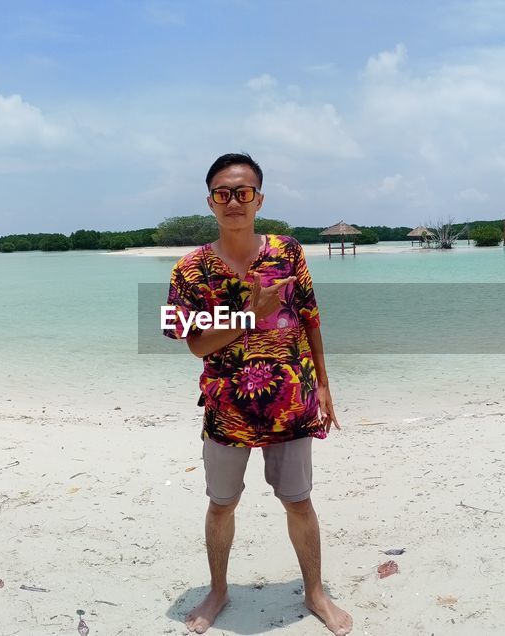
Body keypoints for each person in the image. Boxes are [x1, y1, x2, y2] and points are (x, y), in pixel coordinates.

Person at [163, 153, 352, 635]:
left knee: (299, 501)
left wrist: (326, 385)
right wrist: (249, 313)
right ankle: (219, 590)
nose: (233, 202)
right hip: (226, 408)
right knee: (222, 504)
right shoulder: (188, 270)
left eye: (243, 192)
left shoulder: (289, 251)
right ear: (210, 201)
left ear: (259, 199)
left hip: (291, 399)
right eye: (223, 194)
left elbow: (310, 318)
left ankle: (315, 593)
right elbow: (192, 345)